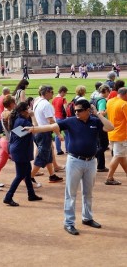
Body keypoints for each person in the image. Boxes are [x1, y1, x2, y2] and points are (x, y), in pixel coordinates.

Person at [25, 99, 114, 235]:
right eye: (75, 110)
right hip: (74, 161)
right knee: (71, 194)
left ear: (88, 111)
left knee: (88, 193)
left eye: (79, 110)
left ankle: (87, 218)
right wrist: (33, 129)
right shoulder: (70, 121)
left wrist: (98, 114)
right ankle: (69, 222)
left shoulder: (95, 122)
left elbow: (110, 127)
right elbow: (51, 127)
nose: (76, 112)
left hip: (91, 162)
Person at [3, 101, 43, 206]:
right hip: (20, 150)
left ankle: (31, 194)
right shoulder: (22, 121)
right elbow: (36, 128)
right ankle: (8, 196)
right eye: (28, 108)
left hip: (18, 149)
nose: (30, 110)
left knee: (27, 172)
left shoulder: (18, 119)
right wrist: (33, 115)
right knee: (20, 175)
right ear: (24, 111)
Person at [30, 85, 63, 188]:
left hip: (38, 131)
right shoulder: (46, 104)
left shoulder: (37, 101)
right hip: (44, 132)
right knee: (42, 156)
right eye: (52, 92)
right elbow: (51, 121)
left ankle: (52, 175)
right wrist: (58, 134)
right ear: (47, 92)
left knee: (48, 155)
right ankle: (30, 177)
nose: (53, 94)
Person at [105, 87, 127, 185]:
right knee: (118, 155)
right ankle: (109, 178)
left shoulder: (110, 101)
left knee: (121, 156)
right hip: (121, 134)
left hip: (112, 132)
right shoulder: (124, 104)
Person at [95, 84, 110, 172]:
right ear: (105, 91)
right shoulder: (102, 100)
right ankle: (92, 155)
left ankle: (101, 166)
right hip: (101, 124)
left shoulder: (95, 98)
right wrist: (107, 109)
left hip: (95, 123)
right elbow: (101, 113)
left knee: (99, 145)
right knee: (104, 145)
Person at [52, 86, 68, 155]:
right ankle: (68, 149)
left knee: (57, 134)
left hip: (56, 117)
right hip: (63, 118)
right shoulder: (63, 99)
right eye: (65, 93)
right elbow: (66, 109)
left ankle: (58, 150)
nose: (65, 94)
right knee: (68, 134)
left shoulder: (54, 99)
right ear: (62, 92)